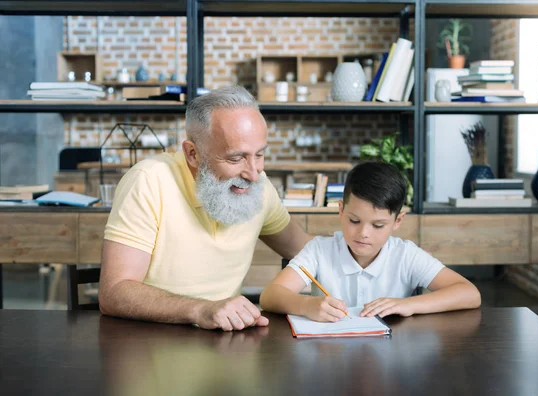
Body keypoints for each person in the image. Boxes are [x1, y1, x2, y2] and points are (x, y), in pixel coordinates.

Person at [98, 86, 312, 331]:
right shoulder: (148, 181)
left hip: (227, 344)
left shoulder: (259, 187)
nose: (253, 173)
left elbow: (307, 251)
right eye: (235, 158)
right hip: (149, 343)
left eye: (260, 155)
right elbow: (114, 292)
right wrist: (200, 309)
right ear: (193, 154)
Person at [260, 162, 481, 322]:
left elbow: (469, 293)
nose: (364, 233)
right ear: (340, 210)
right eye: (354, 220)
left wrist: (407, 305)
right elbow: (270, 295)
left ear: (398, 220)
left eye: (378, 225)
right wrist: (306, 305)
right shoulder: (319, 250)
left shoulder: (405, 255)